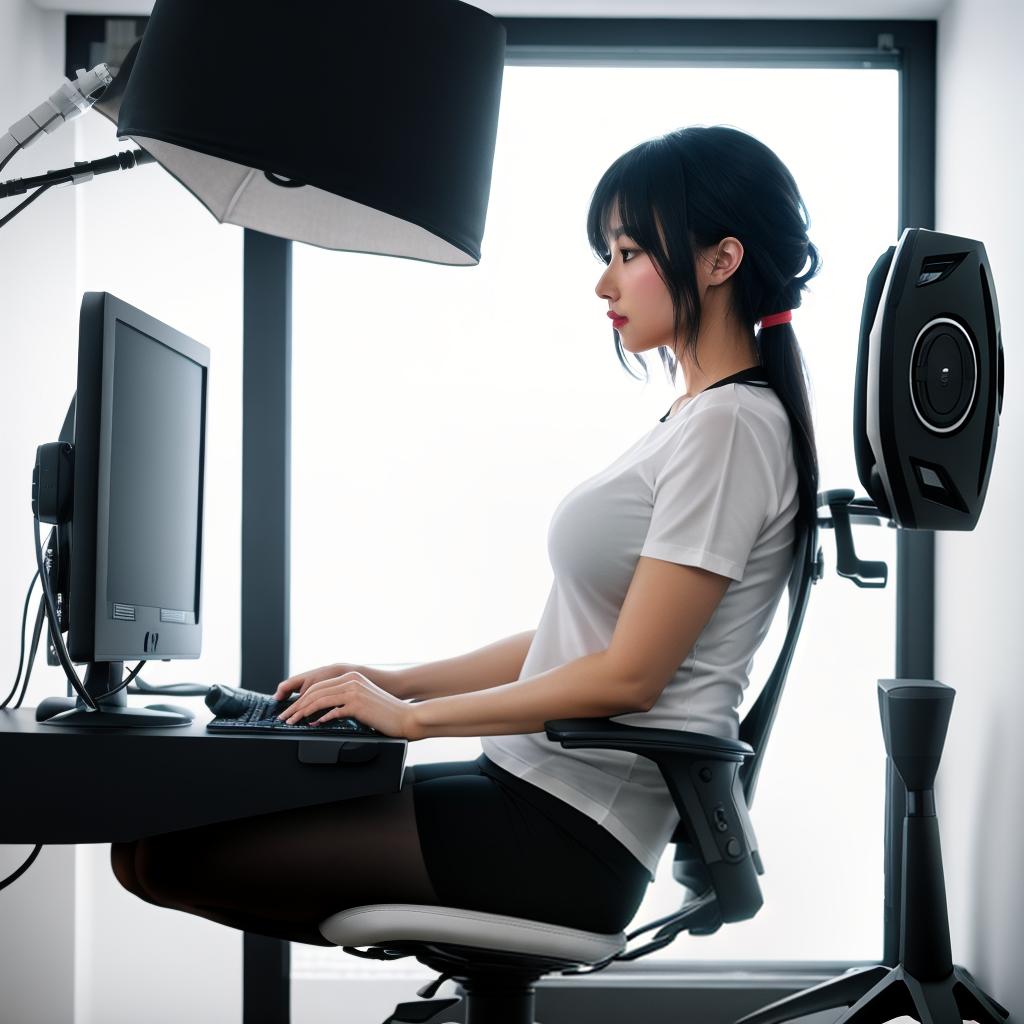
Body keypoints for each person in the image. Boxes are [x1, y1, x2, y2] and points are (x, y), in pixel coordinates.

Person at [110, 124, 821, 947]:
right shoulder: (700, 419)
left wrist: (410, 721)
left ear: (719, 261)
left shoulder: (731, 426)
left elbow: (628, 676)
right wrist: (395, 681)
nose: (604, 283)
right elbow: (579, 640)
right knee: (149, 847)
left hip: (567, 835)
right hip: (526, 792)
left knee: (160, 855)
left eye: (628, 252)